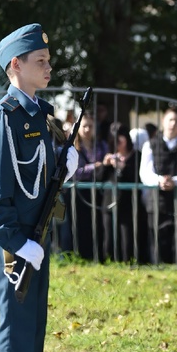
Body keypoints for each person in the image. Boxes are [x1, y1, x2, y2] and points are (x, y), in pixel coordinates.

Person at [0, 23, 78, 352]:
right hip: (15, 242)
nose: (49, 67)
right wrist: (16, 241)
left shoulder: (40, 114)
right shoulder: (5, 116)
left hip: (37, 240)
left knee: (34, 326)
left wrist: (67, 167)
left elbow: (40, 180)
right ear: (16, 65)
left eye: (49, 60)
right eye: (41, 61)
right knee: (15, 326)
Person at [140, 105, 177, 264]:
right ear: (163, 121)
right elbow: (145, 173)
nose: (173, 124)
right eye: (170, 120)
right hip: (157, 202)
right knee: (158, 241)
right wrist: (160, 181)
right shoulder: (150, 144)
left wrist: (175, 181)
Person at [60, 111, 107, 261]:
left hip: (96, 193)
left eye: (90, 126)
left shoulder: (101, 145)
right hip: (77, 194)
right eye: (84, 126)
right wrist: (94, 167)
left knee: (95, 225)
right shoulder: (73, 148)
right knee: (77, 225)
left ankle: (94, 256)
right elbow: (74, 172)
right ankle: (74, 255)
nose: (87, 129)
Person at [101, 124, 148, 263]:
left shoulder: (137, 156)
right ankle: (109, 263)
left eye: (119, 141)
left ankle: (129, 263)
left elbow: (138, 177)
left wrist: (123, 167)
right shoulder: (110, 156)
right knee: (109, 238)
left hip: (129, 204)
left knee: (127, 239)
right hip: (110, 203)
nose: (117, 144)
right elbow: (99, 178)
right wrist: (105, 165)